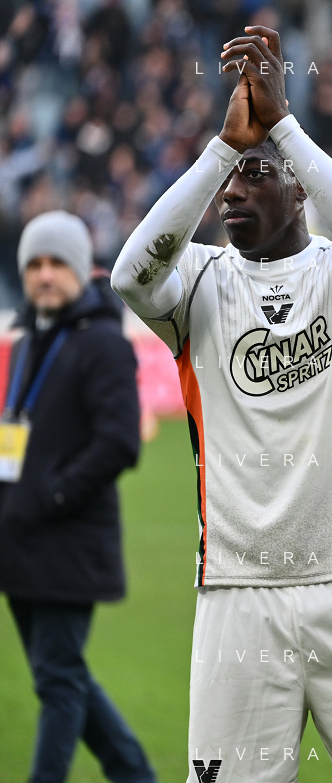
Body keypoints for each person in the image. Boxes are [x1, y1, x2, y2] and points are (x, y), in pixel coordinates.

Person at [110, 27, 332, 782]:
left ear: (300, 189)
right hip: (237, 593)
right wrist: (224, 150)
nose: (233, 192)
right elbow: (129, 276)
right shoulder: (198, 282)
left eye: (255, 176)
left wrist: (285, 128)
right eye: (230, 181)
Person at [0, 211, 155, 783]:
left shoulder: (103, 344)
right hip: (20, 540)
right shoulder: (29, 341)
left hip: (67, 541)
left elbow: (119, 443)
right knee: (60, 676)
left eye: (57, 264)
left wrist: (55, 495)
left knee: (58, 679)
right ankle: (133, 774)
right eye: (34, 264)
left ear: (81, 270)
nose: (44, 275)